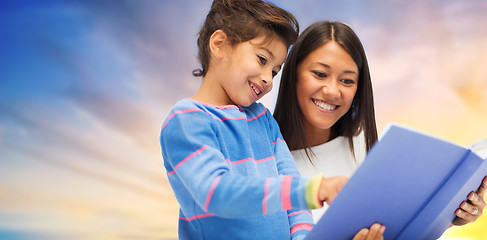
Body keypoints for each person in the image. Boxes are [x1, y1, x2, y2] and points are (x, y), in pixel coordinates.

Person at [160, 1, 385, 239]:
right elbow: (217, 194)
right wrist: (314, 189)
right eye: (262, 59)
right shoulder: (185, 120)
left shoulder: (264, 121)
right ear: (219, 44)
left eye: (275, 71)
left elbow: (296, 207)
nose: (268, 79)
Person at [273, 20, 486, 228]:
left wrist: (452, 217)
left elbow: (402, 225)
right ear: (293, 74)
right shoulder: (261, 159)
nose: (332, 91)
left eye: (347, 80)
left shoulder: (364, 146)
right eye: (320, 74)